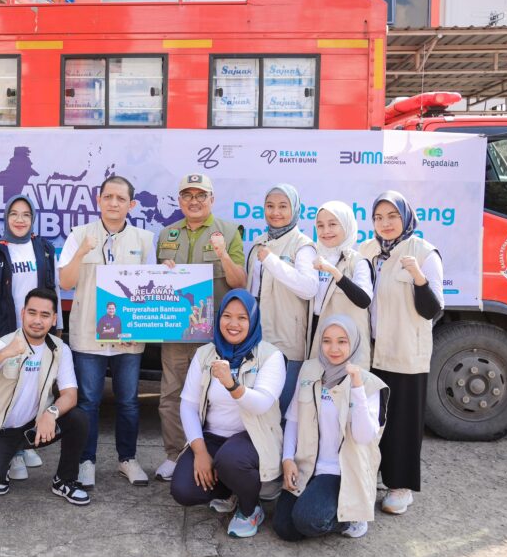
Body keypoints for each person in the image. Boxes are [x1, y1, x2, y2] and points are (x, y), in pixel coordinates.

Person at [58, 175, 156, 489]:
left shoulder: (144, 238)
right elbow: (65, 283)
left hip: (128, 337)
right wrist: (81, 251)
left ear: (132, 204)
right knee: (88, 402)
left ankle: (127, 459)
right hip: (88, 334)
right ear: (98, 200)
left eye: (121, 198)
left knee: (128, 401)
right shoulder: (79, 234)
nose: (114, 203)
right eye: (108, 197)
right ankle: (86, 461)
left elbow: (149, 287)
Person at [170, 289, 285, 538]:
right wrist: (199, 451)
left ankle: (250, 508)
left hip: (252, 437)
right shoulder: (205, 353)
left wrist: (232, 384)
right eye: (227, 316)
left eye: (242, 318)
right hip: (213, 437)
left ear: (253, 321)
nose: (233, 324)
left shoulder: (270, 356)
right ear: (219, 317)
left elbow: (261, 404)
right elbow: (188, 405)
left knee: (230, 460)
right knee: (183, 490)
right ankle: (230, 490)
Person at [155, 172, 246, 482]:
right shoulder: (166, 234)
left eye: (201, 195)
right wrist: (162, 273)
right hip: (176, 331)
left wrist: (222, 253)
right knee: (172, 393)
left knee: (214, 394)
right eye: (187, 195)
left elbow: (239, 282)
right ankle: (174, 454)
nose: (194, 201)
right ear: (180, 200)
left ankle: (211, 454)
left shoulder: (229, 232)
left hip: (216, 334)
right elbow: (154, 285)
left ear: (212, 199)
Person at [359, 191, 443, 515]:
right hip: (370, 352)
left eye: (392, 216)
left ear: (405, 218)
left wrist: (419, 278)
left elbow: (432, 310)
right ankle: (371, 477)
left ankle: (400, 486)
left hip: (406, 351)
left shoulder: (424, 252)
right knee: (371, 419)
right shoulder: (366, 251)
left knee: (403, 421)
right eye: (379, 217)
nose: (385, 223)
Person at [0, 288, 90, 505]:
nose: (37, 320)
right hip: (0, 431)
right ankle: (5, 461)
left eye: (44, 315)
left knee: (78, 418)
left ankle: (64, 480)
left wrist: (51, 414)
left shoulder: (60, 349)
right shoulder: (2, 344)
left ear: (54, 319)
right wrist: (5, 353)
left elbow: (70, 395)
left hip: (35, 428)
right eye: (32, 313)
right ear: (22, 313)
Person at [0, 194, 59, 480]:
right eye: (14, 214)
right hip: (7, 332)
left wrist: (57, 329)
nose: (20, 220)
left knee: (35, 389)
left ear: (33, 219)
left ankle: (24, 443)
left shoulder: (43, 248)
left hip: (39, 331)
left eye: (26, 215)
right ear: (6, 218)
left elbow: (52, 290)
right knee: (9, 389)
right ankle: (13, 452)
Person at [274, 315, 388, 541]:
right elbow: (293, 420)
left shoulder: (369, 383)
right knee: (284, 528)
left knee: (308, 520)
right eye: (327, 341)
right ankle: (319, 509)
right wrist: (288, 459)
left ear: (354, 343)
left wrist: (356, 387)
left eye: (342, 341)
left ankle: (352, 517)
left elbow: (364, 436)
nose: (333, 348)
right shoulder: (309, 371)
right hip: (308, 466)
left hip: (340, 472)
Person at [245, 184, 318, 415]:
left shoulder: (303, 245)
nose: (275, 212)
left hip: (287, 337)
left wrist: (273, 262)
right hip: (258, 337)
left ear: (295, 209)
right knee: (259, 405)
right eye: (270, 206)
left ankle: (282, 452)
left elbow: (308, 288)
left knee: (282, 408)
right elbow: (253, 289)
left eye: (283, 206)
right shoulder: (259, 242)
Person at [309, 201, 373, 367]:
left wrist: (334, 272)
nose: (326, 231)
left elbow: (364, 300)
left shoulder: (357, 262)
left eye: (332, 224)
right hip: (317, 338)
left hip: (346, 346)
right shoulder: (311, 256)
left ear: (346, 225)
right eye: (320, 225)